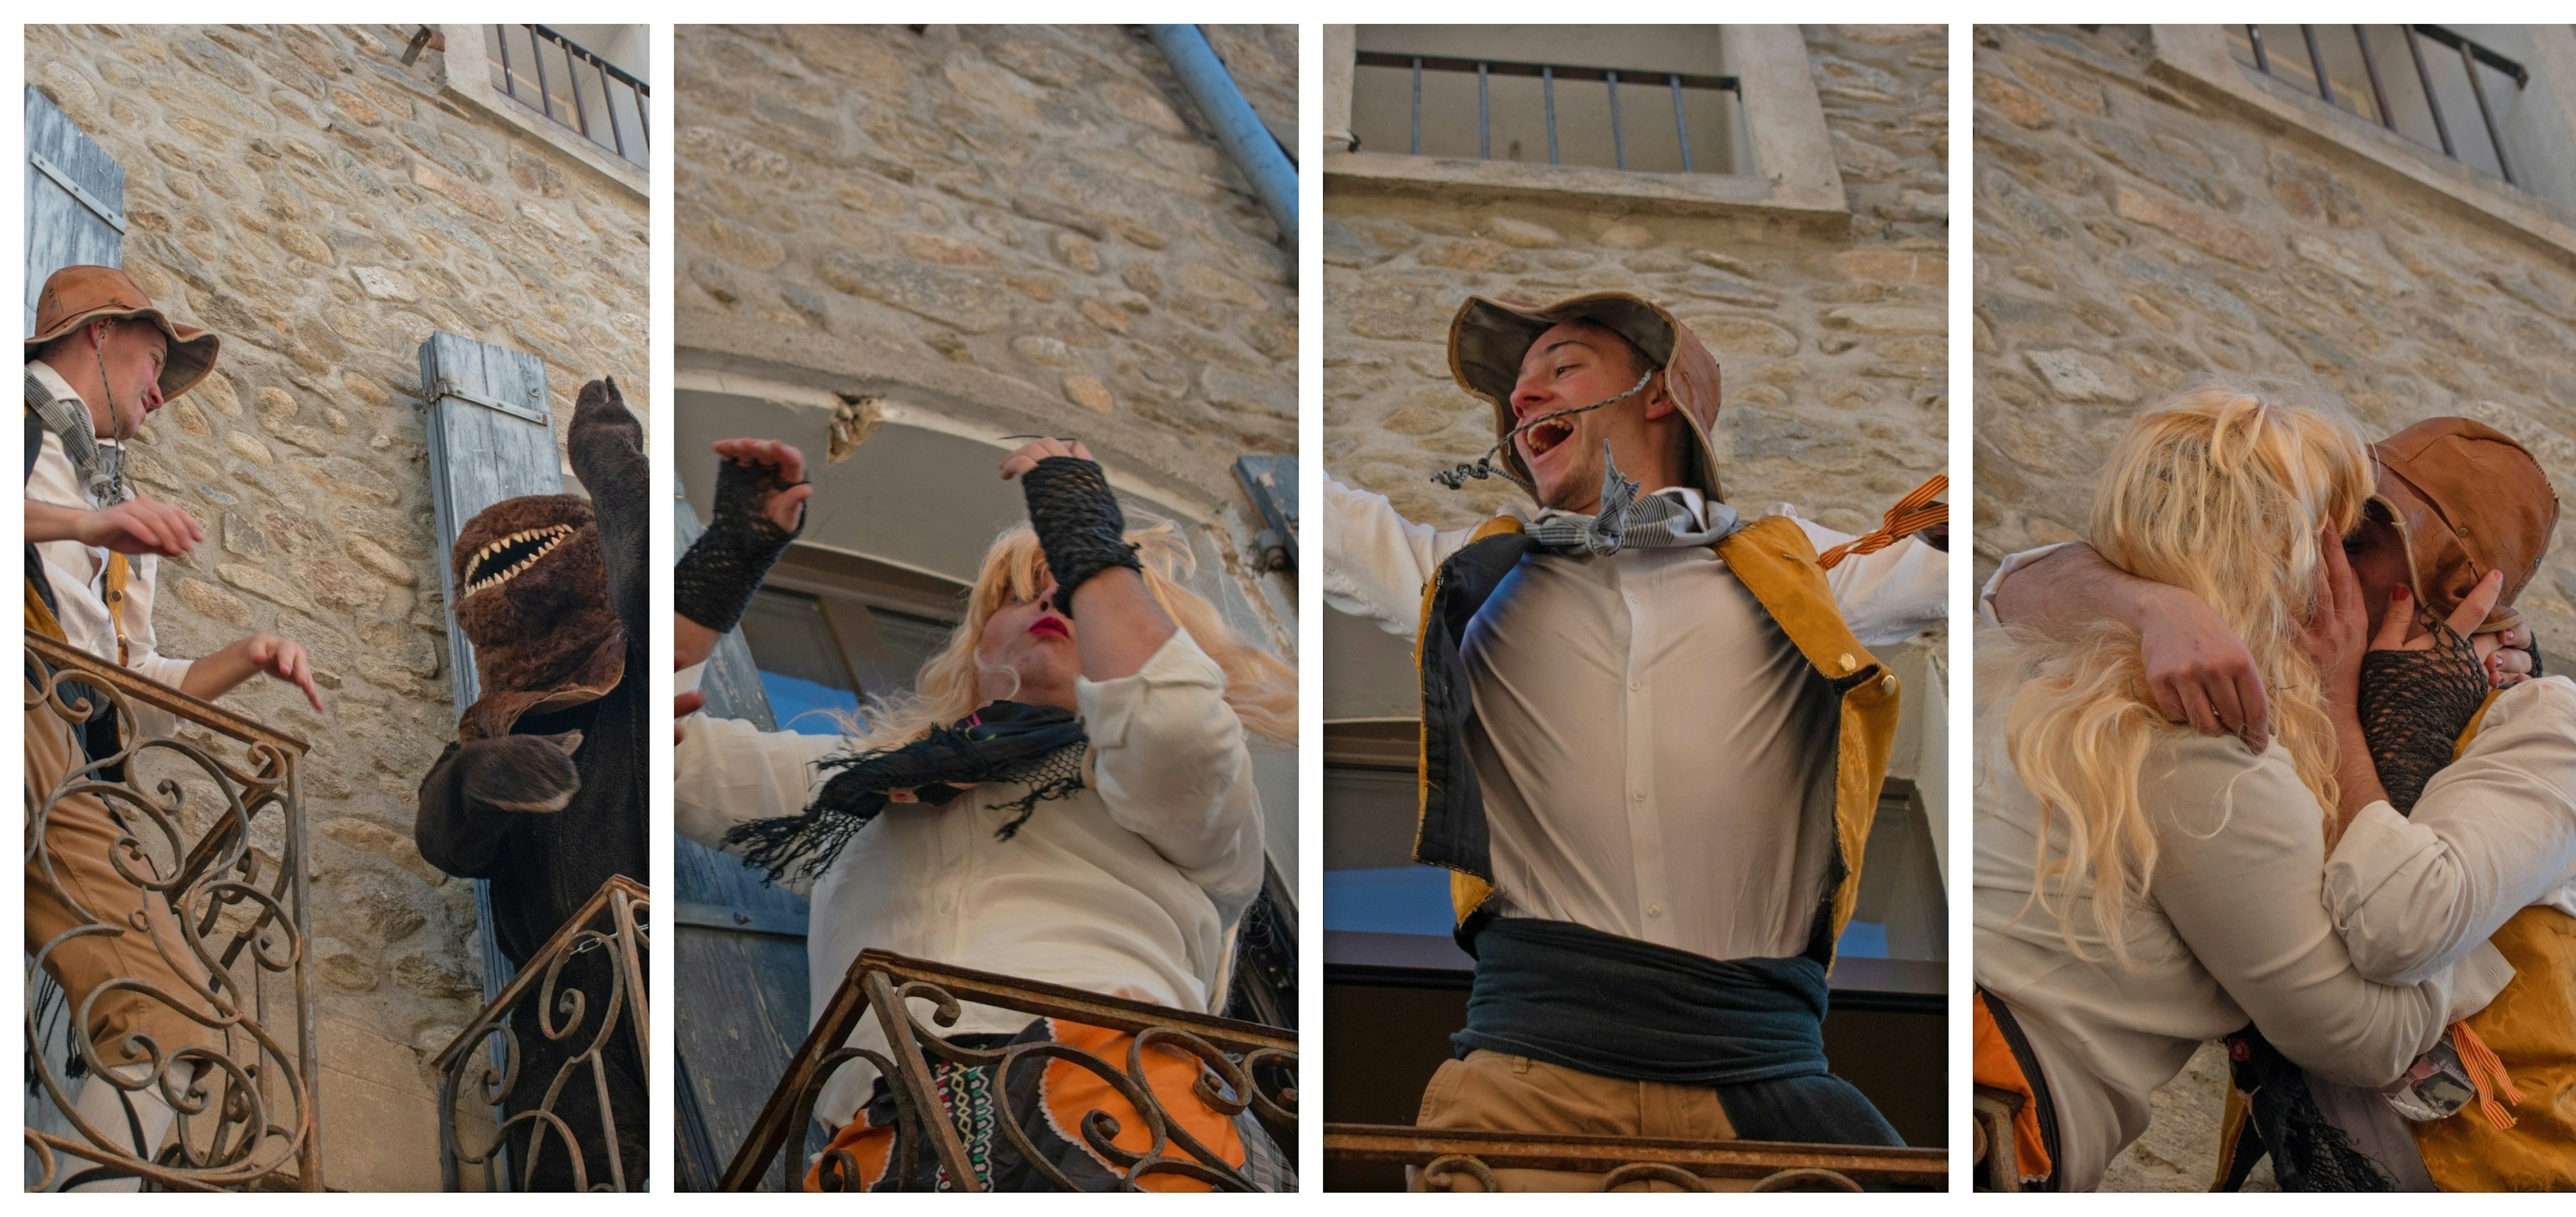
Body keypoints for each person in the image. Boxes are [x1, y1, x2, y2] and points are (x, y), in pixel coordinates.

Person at [1325, 292, 1946, 1154]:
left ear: (1660, 395)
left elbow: (1985, 568)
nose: (1523, 397)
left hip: (1762, 1093)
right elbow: (1306, 506)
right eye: (1517, 387)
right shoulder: (1465, 580)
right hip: (1525, 1092)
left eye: (1563, 367)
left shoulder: (1803, 573)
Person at [1983, 412, 2576, 1191]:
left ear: (2455, 586)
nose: (2317, 556)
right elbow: (2011, 587)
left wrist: (2350, 713)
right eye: (2317, 528)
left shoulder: (2549, 719)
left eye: (2359, 541)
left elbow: (2402, 923)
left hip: (2480, 1181)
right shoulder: (2259, 694)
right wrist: (2157, 608)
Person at [673, 436, 1296, 1191]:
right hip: (881, 1141)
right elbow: (656, 750)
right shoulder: (871, 788)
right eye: (1022, 592)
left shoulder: (1187, 790)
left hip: (1115, 1089)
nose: (1050, 600)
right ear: (977, 648)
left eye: (1071, 586)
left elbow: (1170, 720)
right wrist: (726, 564)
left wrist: (1085, 532)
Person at [23, 265, 323, 1190]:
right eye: (154, 361)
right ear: (98, 335)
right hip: (23, 704)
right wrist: (91, 521)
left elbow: (132, 679)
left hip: (75, 766)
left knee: (183, 1018)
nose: (160, 393)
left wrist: (245, 656)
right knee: (161, 1009)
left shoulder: (102, 492)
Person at [413, 377, 650, 1190]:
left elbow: (661, 592)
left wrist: (614, 470)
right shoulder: (492, 727)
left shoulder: (637, 670)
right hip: (567, 1020)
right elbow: (444, 839)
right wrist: (484, 774)